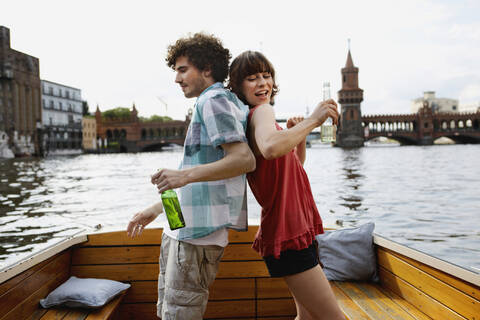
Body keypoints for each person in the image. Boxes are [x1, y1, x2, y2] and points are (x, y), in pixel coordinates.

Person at [126, 33, 255, 320]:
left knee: (177, 316)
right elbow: (203, 182)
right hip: (184, 230)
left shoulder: (213, 100)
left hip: (195, 236)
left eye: (182, 70)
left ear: (207, 69)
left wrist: (183, 177)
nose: (176, 79)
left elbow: (244, 159)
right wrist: (156, 209)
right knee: (169, 312)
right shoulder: (217, 101)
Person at [228, 51, 345, 320]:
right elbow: (270, 148)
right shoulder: (261, 112)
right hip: (289, 233)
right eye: (252, 77)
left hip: (292, 232)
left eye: (266, 76)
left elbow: (293, 168)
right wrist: (313, 120)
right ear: (237, 85)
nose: (262, 83)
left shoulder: (255, 120)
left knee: (307, 318)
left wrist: (298, 136)